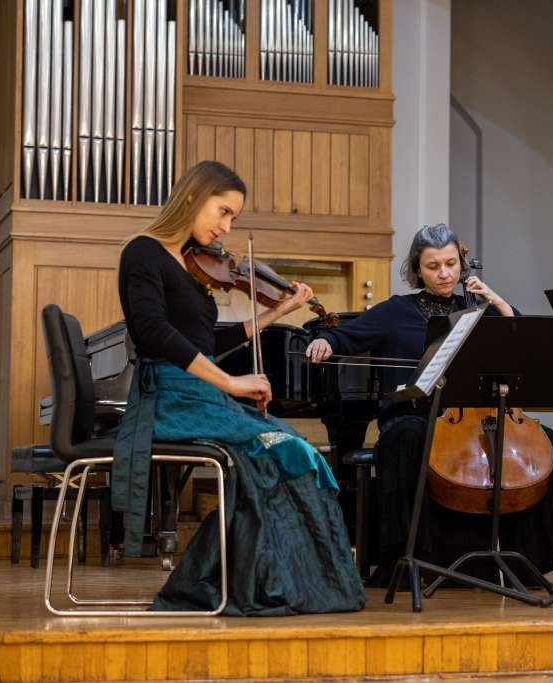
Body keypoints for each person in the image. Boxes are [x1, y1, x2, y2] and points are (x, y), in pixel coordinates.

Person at [115, 160, 365, 615]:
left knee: (296, 448)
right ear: (193, 196)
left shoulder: (191, 267)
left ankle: (288, 581)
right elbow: (151, 331)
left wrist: (280, 311)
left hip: (202, 392)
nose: (227, 227)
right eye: (223, 211)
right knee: (275, 450)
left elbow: (207, 342)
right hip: (170, 399)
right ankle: (250, 582)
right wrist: (231, 382)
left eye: (233, 218)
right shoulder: (143, 252)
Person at [306, 223, 553, 585]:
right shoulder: (396, 311)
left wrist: (495, 301)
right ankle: (409, 562)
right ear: (417, 269)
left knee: (545, 440)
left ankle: (524, 561)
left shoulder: (480, 307)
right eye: (434, 266)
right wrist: (326, 341)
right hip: (417, 414)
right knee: (405, 439)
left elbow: (522, 340)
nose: (444, 273)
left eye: (451, 264)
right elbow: (343, 333)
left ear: (461, 264)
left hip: (478, 414)